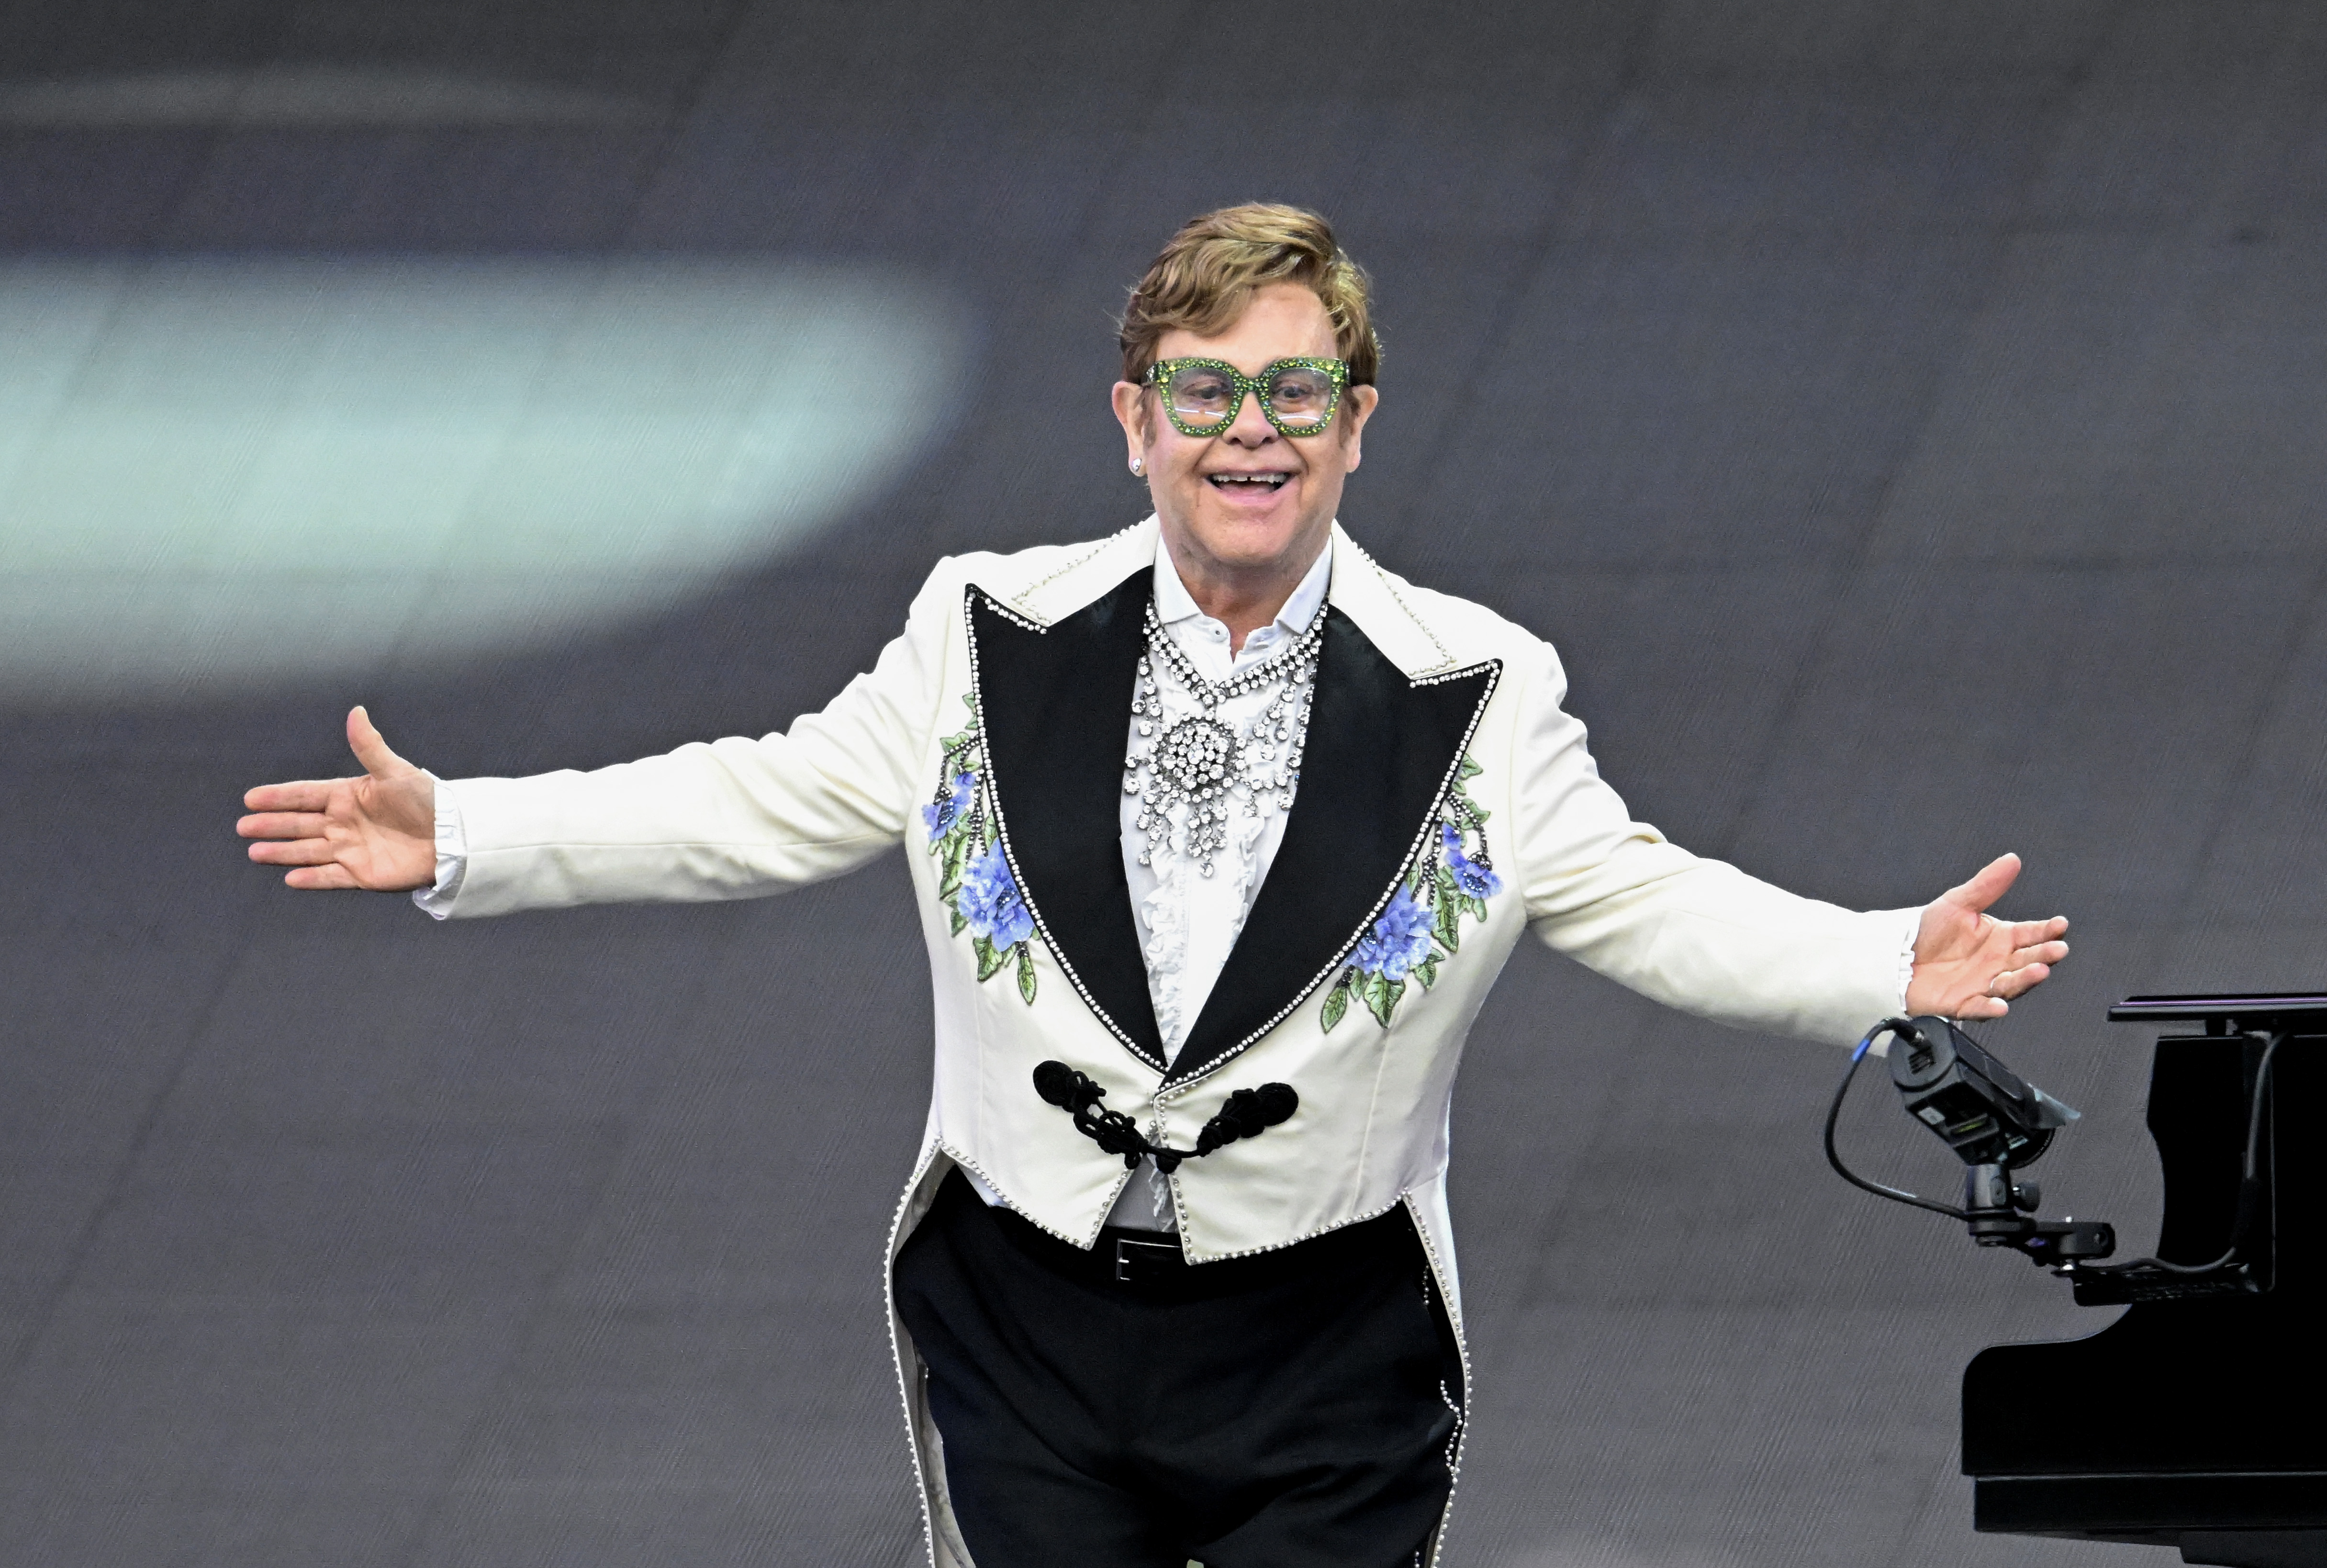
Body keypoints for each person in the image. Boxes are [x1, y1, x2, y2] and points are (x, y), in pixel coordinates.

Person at [238, 203, 2069, 1568]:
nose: (1248, 430)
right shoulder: (985, 626)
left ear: (1357, 424)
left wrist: (1878, 959)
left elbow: (1648, 900)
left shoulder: (1482, 691)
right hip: (1028, 1320)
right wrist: (465, 829)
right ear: (1136, 418)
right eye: (1206, 389)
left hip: (1323, 1338)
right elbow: (769, 799)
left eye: (1293, 390)